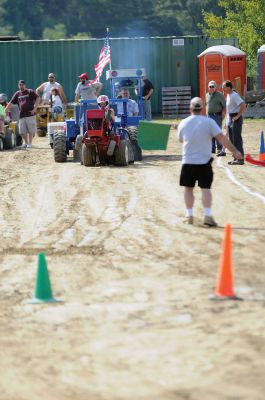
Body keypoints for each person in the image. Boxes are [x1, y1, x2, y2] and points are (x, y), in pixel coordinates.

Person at [177, 97, 243, 226]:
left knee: (188, 189)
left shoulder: (183, 123)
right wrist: (235, 151)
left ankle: (189, 216)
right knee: (205, 189)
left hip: (188, 161)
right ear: (202, 109)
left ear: (190, 108)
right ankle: (207, 216)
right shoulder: (209, 122)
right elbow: (222, 139)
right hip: (204, 162)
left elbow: (180, 140)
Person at [5, 80, 40, 148]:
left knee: (30, 130)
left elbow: (38, 98)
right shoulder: (17, 94)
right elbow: (11, 102)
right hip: (21, 114)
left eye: (22, 84)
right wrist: (5, 110)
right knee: (22, 131)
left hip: (30, 114)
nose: (21, 86)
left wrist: (35, 109)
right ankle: (26, 143)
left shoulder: (30, 91)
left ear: (25, 85)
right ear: (18, 86)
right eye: (20, 85)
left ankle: (30, 143)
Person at [222, 80, 246, 165]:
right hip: (231, 118)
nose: (223, 88)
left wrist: (238, 116)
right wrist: (227, 121)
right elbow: (229, 110)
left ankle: (240, 159)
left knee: (237, 139)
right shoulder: (228, 95)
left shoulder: (234, 95)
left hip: (236, 118)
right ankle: (236, 157)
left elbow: (243, 105)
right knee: (232, 139)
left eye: (224, 86)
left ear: (229, 87)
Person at [206, 80, 226, 156]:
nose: (211, 88)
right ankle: (212, 148)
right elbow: (207, 105)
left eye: (212, 86)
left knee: (217, 132)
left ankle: (220, 148)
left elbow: (224, 105)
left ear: (215, 87)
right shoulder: (207, 95)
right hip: (209, 116)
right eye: (210, 86)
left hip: (217, 116)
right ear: (208, 87)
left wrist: (223, 113)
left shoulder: (220, 95)